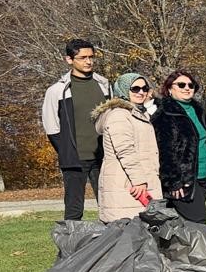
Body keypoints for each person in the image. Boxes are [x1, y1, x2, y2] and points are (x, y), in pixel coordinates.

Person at [42, 39, 110, 221]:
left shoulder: (104, 85)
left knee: (109, 206)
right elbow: (51, 126)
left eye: (91, 57)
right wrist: (68, 151)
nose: (88, 61)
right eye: (82, 58)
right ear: (69, 60)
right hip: (75, 159)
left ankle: (113, 247)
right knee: (74, 209)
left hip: (104, 158)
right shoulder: (57, 90)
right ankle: (70, 249)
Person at [91, 73, 159, 223]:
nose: (141, 92)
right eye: (135, 88)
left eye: (144, 88)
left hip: (137, 182)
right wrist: (139, 180)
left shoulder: (138, 114)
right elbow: (125, 150)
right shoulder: (119, 115)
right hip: (126, 184)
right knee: (126, 236)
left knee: (141, 237)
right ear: (123, 90)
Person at [153, 69, 206, 224]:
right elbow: (165, 151)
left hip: (202, 176)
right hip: (182, 180)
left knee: (186, 224)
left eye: (190, 85)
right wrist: (173, 181)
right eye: (181, 85)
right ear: (170, 89)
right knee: (198, 220)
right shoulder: (164, 114)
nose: (187, 88)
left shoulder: (198, 110)